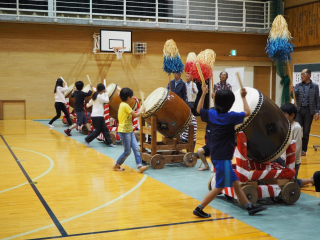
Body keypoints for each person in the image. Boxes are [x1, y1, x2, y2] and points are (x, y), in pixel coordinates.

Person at [193, 86, 267, 218]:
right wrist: (244, 97)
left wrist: (203, 93)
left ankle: (249, 207)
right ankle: (199, 208)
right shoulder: (231, 117)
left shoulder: (212, 114)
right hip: (222, 157)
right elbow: (247, 112)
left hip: (218, 155)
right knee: (220, 187)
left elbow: (198, 110)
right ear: (230, 104)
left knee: (236, 184)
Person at [113, 87, 149, 173]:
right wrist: (142, 109)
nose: (132, 98)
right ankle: (116, 165)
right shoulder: (125, 106)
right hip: (124, 132)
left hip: (129, 131)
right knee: (127, 151)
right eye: (131, 97)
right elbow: (136, 115)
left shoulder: (124, 105)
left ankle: (140, 167)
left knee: (136, 148)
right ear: (128, 97)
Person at [280, 103, 314, 186]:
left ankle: (311, 180)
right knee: (282, 182)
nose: (282, 117)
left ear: (292, 115)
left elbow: (297, 147)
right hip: (283, 160)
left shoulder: (296, 127)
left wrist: (289, 161)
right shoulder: (284, 125)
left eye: (284, 114)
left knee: (291, 184)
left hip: (292, 162)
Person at [290, 69, 319, 156]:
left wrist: (317, 112)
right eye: (301, 74)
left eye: (303, 74)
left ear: (309, 75)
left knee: (306, 132)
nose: (301, 76)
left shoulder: (315, 86)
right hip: (298, 111)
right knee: (296, 129)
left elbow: (317, 100)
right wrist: (291, 91)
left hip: (309, 111)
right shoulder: (298, 85)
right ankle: (294, 149)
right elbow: (293, 96)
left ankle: (303, 150)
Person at [84, 83, 116, 148]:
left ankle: (109, 143)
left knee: (105, 129)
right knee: (97, 131)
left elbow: (88, 105)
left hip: (97, 116)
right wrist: (106, 93)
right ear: (102, 90)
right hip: (97, 116)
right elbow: (106, 100)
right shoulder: (98, 96)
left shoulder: (95, 96)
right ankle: (87, 140)